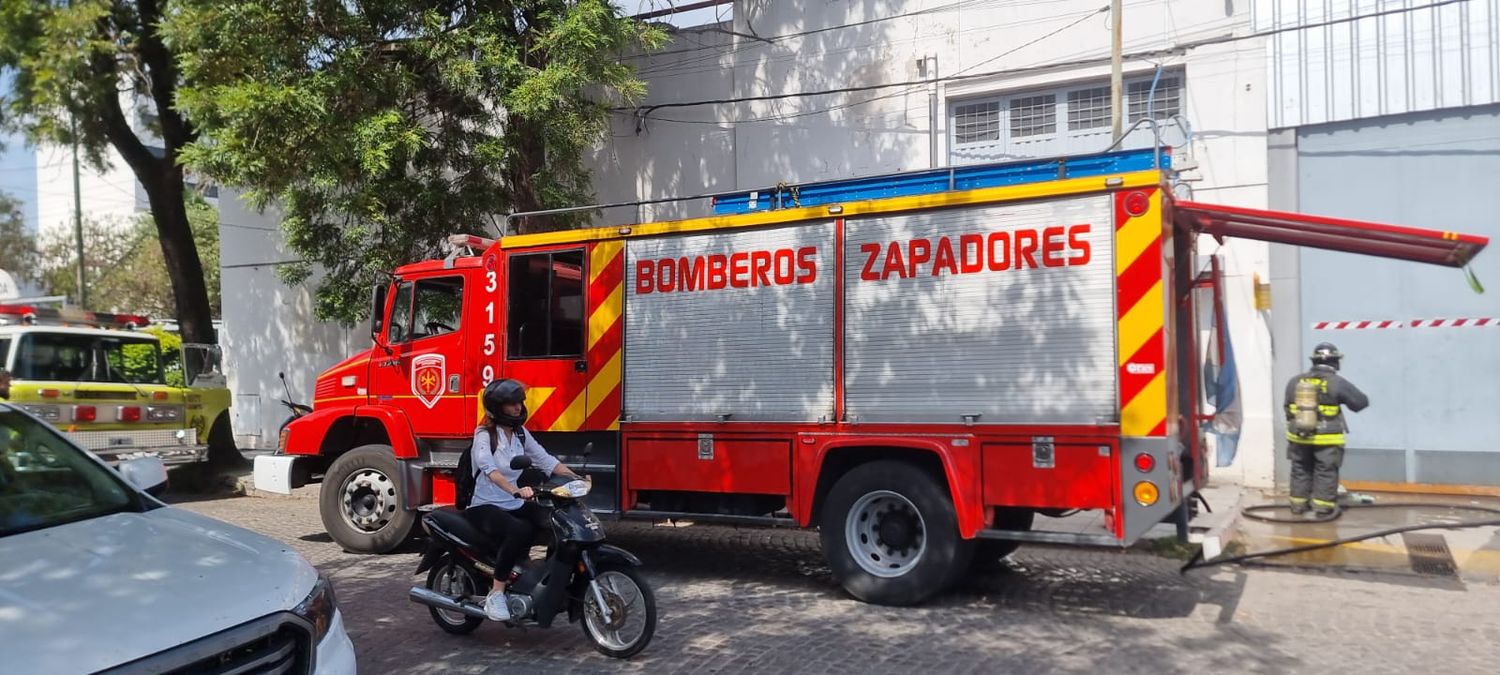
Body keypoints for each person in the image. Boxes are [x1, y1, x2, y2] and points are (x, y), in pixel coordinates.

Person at [467, 378, 584, 621]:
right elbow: (490, 470)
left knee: (556, 522)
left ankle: (546, 579)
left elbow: (546, 460)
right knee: (519, 530)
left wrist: (577, 478)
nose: (518, 407)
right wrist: (515, 490)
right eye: (511, 404)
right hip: (485, 504)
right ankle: (497, 593)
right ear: (498, 407)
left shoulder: (520, 434)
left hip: (512, 502)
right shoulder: (484, 436)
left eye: (519, 402)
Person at [1283, 342, 1369, 517]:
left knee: (1300, 470)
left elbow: (1287, 408)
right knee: (1326, 471)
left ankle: (1298, 506)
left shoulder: (1295, 381)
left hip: (1299, 437)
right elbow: (1360, 403)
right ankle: (1322, 508)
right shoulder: (1336, 382)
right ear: (1334, 362)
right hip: (1327, 440)